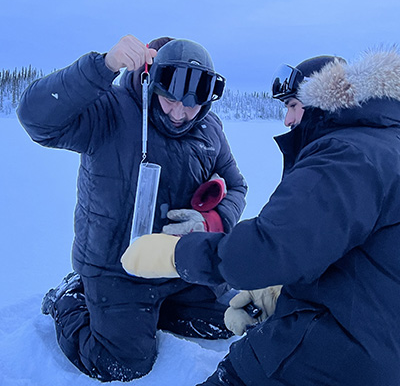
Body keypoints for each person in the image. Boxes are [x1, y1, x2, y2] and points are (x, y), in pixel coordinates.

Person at [121, 48, 400, 385]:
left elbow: (267, 239)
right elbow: (358, 246)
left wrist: (179, 250)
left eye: (293, 106)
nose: (287, 120)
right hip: (377, 335)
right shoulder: (384, 144)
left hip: (341, 349)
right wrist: (282, 289)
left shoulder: (346, 155)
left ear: (323, 102)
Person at [17, 34, 247, 382]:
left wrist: (211, 220)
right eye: (170, 99)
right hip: (116, 269)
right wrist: (101, 67)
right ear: (153, 83)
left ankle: (155, 312)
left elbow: (237, 186)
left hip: (178, 266)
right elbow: (36, 118)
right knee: (123, 362)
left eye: (192, 104)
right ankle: (69, 298)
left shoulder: (210, 129)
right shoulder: (111, 110)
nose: (180, 113)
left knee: (231, 320)